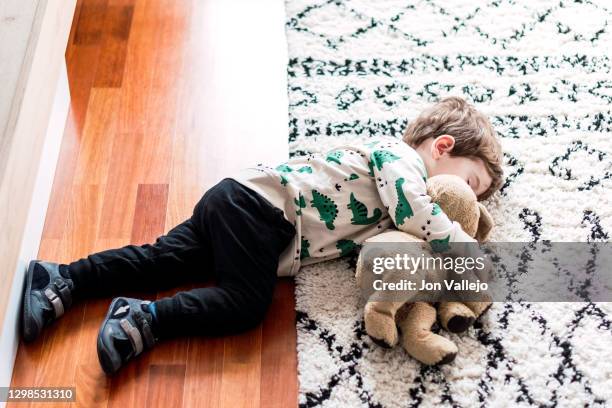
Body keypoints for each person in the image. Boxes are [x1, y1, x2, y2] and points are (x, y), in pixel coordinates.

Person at [21, 96, 503, 374]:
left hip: (242, 205)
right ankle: (145, 318)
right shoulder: (402, 162)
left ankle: (63, 278)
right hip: (261, 210)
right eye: (471, 185)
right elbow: (417, 210)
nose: (468, 201)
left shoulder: (404, 191)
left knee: (162, 260)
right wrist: (461, 245)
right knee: (245, 303)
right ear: (441, 148)